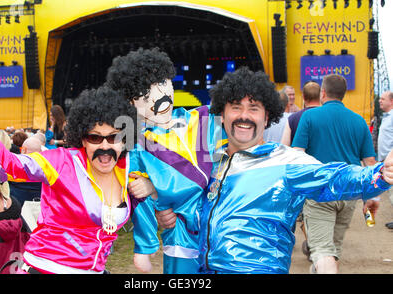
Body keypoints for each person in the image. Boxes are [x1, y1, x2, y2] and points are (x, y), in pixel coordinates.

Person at [157, 66, 392, 274]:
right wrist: (173, 216)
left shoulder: (286, 162)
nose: (244, 116)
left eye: (254, 108)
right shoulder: (209, 163)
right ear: (222, 113)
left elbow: (334, 178)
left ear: (267, 116)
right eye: (236, 107)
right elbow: (199, 210)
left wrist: (379, 175)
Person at [0, 86, 143, 274]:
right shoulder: (61, 163)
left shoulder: (127, 168)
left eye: (113, 137)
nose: (105, 146)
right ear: (83, 139)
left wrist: (148, 188)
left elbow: (167, 182)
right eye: (95, 138)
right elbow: (12, 165)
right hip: (45, 268)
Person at [106, 47, 226, 274]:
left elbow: (227, 165)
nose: (158, 95)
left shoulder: (204, 119)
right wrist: (145, 246)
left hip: (222, 229)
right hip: (182, 238)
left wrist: (156, 187)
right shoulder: (137, 144)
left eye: (162, 83)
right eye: (144, 93)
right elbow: (139, 198)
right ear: (131, 103)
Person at [292, 74, 378, 274]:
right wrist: (370, 196)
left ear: (323, 93)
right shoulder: (359, 121)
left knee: (322, 251)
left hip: (319, 192)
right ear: (344, 94)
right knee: (333, 250)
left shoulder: (310, 117)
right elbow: (370, 163)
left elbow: (297, 154)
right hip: (349, 194)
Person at [281, 81, 321, 146]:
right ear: (320, 96)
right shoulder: (329, 117)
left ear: (303, 97)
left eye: (293, 94)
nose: (292, 97)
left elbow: (284, 146)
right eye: (289, 95)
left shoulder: (293, 118)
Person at [377, 91, 393, 229]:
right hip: (385, 161)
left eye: (383, 99)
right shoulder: (386, 117)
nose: (380, 101)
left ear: (391, 101)